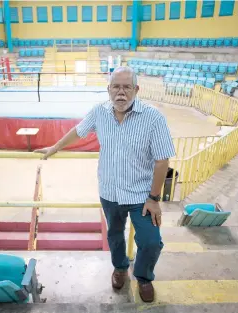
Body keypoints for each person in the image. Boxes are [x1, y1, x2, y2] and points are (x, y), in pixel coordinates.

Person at [34, 66, 176, 302]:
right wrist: (55, 147)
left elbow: (162, 160)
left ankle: (143, 277)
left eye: (127, 87)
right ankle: (120, 268)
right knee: (115, 234)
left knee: (151, 242)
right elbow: (78, 132)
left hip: (142, 195)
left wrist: (154, 198)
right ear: (108, 89)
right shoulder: (99, 112)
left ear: (136, 89)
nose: (121, 92)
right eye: (116, 87)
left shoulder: (153, 117)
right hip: (110, 192)